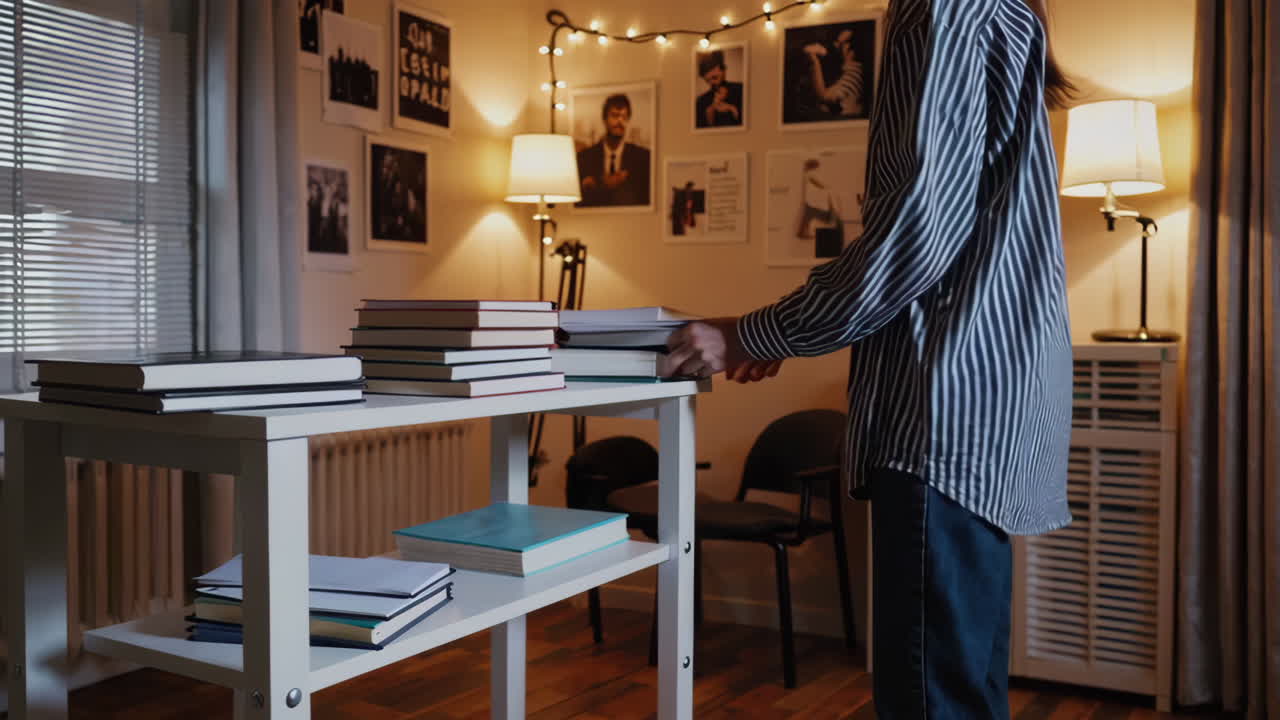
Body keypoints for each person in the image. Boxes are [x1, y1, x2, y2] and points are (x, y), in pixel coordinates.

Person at [664, 0, 1076, 716]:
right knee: (965, 688)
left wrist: (754, 333)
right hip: (981, 410)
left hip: (943, 414)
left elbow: (914, 232)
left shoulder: (943, 6)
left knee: (931, 698)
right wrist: (783, 332)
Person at [576, 94, 651, 207]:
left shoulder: (643, 157)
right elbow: (580, 201)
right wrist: (602, 184)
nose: (620, 121)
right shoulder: (585, 157)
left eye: (624, 117)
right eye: (615, 116)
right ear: (605, 119)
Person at [695, 49, 744, 128]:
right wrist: (710, 113)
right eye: (707, 80)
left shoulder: (741, 90)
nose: (712, 83)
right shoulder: (701, 101)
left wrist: (731, 108)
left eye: (715, 78)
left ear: (723, 70)